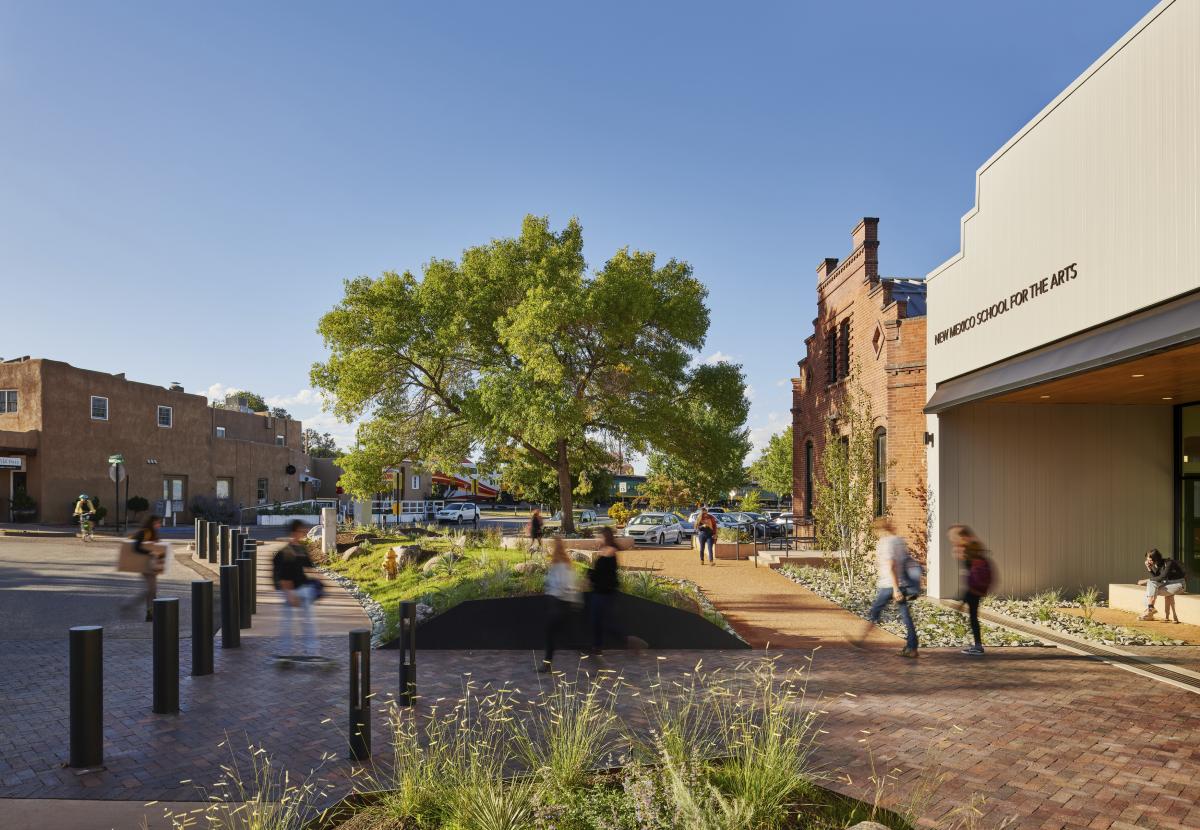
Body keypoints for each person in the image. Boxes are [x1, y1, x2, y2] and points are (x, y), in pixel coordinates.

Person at [856, 517, 919, 658]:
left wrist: (895, 588)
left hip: (889, 584)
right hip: (901, 583)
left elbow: (891, 565)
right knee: (905, 616)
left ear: (879, 529)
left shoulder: (886, 542)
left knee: (875, 611)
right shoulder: (899, 540)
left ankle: (863, 639)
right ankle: (912, 647)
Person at [587, 527, 646, 655]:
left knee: (605, 622)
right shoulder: (604, 552)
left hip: (604, 593)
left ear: (605, 538)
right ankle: (597, 647)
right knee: (597, 621)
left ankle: (630, 641)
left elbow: (605, 574)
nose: (597, 539)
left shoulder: (609, 553)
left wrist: (591, 574)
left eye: (600, 536)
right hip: (601, 592)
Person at [273, 519, 320, 659]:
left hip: (303, 589)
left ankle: (312, 651)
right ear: (294, 532)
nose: (304, 534)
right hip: (290, 591)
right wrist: (289, 594)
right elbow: (282, 577)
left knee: (309, 620)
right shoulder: (284, 553)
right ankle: (285, 651)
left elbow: (310, 568)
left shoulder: (301, 549)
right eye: (301, 531)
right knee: (287, 622)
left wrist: (319, 582)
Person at [950, 524, 993, 656]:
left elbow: (968, 564)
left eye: (954, 535)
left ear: (963, 535)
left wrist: (958, 549)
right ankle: (977, 645)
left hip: (973, 587)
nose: (952, 538)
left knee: (972, 616)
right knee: (972, 616)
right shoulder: (972, 545)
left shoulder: (970, 546)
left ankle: (978, 646)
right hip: (974, 586)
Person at [540, 536, 580, 672]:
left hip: (559, 604)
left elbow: (565, 585)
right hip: (563, 604)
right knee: (563, 636)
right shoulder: (565, 564)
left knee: (550, 634)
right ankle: (547, 663)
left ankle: (547, 664)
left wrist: (557, 591)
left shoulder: (560, 566)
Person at [121, 514, 166, 621]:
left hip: (151, 565)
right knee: (151, 589)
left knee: (153, 590)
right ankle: (130, 604)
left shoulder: (153, 533)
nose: (159, 525)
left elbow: (156, 548)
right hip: (144, 565)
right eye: (157, 523)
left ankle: (150, 613)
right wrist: (151, 552)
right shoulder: (144, 532)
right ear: (152, 523)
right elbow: (136, 548)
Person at [1137, 549, 1186, 622]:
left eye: (1149, 560)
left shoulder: (1169, 563)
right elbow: (1157, 578)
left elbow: (1162, 577)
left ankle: (1149, 611)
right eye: (1147, 560)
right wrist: (1149, 569)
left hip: (1179, 585)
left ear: (1155, 559)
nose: (1148, 562)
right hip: (1169, 584)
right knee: (1151, 588)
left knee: (1150, 588)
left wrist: (1145, 581)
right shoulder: (1158, 565)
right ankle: (1150, 609)